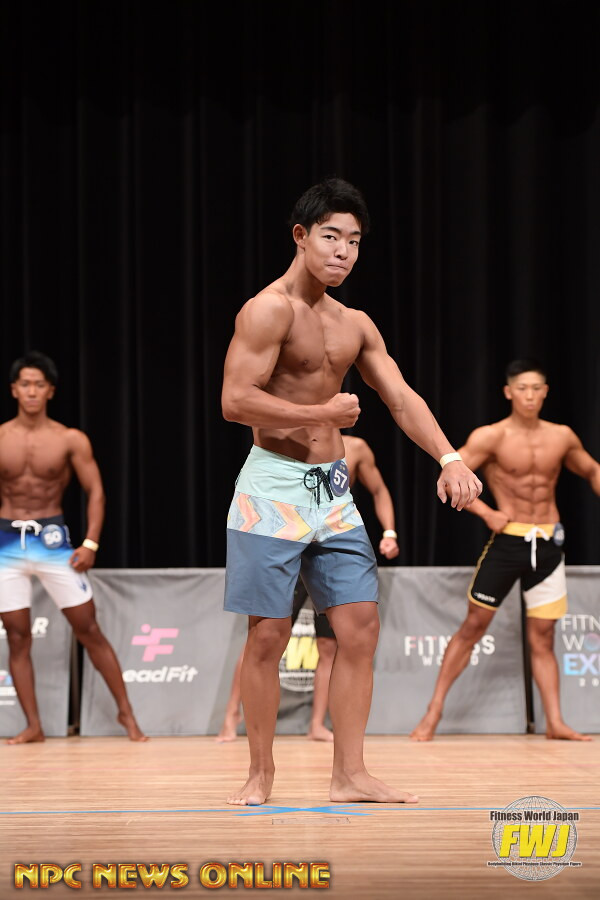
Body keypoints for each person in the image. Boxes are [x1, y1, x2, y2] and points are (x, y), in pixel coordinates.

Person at [220, 176, 482, 806]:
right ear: (301, 236)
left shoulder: (354, 323)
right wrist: (321, 414)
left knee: (360, 628)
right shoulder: (268, 310)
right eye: (331, 236)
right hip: (272, 486)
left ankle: (350, 774)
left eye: (355, 241)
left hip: (333, 493)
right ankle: (260, 773)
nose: (343, 251)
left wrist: (449, 456)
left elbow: (400, 397)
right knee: (267, 635)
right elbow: (234, 400)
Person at [410, 358, 600, 743]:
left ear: (545, 393)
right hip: (508, 540)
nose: (530, 396)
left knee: (543, 636)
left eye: (536, 389)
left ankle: (555, 722)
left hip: (549, 543)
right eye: (522, 389)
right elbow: (448, 478)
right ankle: (432, 713)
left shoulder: (562, 436)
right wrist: (486, 513)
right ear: (509, 392)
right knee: (473, 627)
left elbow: (592, 469)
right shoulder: (491, 437)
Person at [0, 351, 146, 743]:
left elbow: (95, 491)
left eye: (39, 384)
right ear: (14, 390)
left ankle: (127, 715)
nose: (32, 391)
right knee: (16, 635)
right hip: (7, 542)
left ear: (50, 391)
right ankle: (34, 725)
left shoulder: (69, 439)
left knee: (88, 627)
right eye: (25, 384)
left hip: (51, 541)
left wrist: (91, 542)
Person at [216, 433, 400, 743]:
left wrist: (390, 532)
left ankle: (317, 723)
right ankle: (231, 717)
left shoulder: (356, 448)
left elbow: (379, 490)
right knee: (264, 635)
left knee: (330, 646)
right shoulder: (289, 436)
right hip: (284, 531)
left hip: (328, 536)